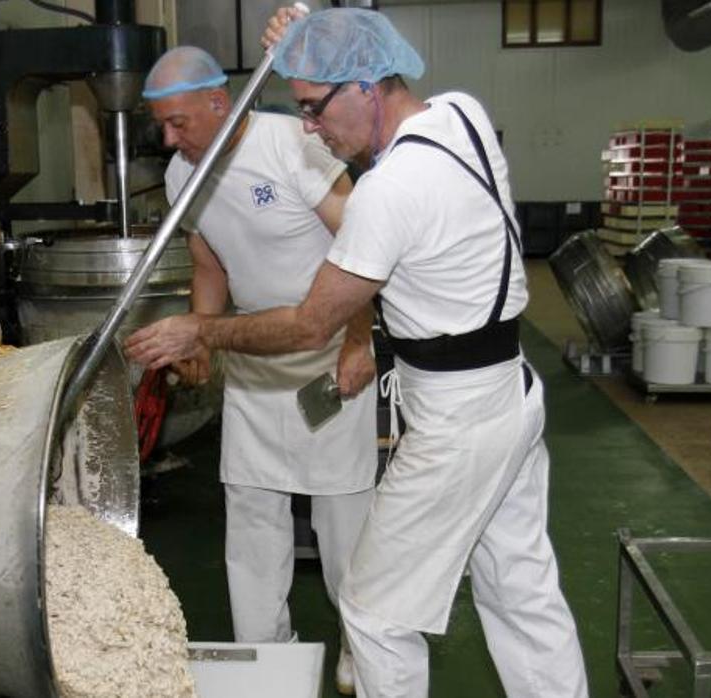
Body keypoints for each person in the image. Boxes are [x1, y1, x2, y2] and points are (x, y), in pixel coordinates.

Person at [126, 10, 588, 698]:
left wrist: (202, 332)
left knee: (372, 612)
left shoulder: (386, 194)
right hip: (507, 393)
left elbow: (312, 324)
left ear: (365, 87)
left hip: (457, 422)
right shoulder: (461, 116)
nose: (308, 125)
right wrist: (316, 29)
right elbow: (359, 62)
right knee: (517, 583)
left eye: (314, 107)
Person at [141, 45, 379, 693]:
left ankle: (363, 648)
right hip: (253, 359)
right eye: (159, 124)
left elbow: (359, 244)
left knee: (341, 519)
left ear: (220, 103)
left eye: (178, 121)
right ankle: (263, 653)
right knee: (250, 517)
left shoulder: (292, 146)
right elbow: (208, 262)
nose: (168, 138)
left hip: (328, 359)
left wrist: (359, 339)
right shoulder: (181, 174)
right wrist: (200, 343)